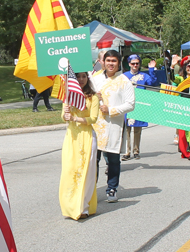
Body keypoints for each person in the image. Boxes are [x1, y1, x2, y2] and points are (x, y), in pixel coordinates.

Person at [92, 50, 135, 202]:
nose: (111, 63)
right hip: (95, 125)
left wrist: (111, 110)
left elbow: (130, 105)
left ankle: (112, 188)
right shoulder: (94, 78)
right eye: (108, 60)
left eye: (114, 61)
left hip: (113, 125)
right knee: (93, 159)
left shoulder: (124, 81)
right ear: (103, 61)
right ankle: (91, 190)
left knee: (113, 159)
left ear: (119, 63)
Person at [59, 72, 99, 220]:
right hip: (72, 137)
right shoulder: (68, 95)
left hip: (87, 136)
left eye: (84, 76)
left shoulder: (93, 97)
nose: (81, 80)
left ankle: (84, 206)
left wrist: (75, 117)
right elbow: (64, 116)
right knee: (70, 170)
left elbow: (93, 118)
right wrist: (66, 114)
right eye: (78, 77)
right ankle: (70, 205)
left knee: (86, 171)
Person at [122, 54, 158, 161]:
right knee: (127, 130)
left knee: (137, 130)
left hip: (139, 105)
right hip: (127, 105)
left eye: (137, 63)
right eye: (133, 63)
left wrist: (151, 69)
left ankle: (136, 151)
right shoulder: (124, 76)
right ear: (129, 64)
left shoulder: (144, 75)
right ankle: (127, 152)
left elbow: (152, 82)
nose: (135, 65)